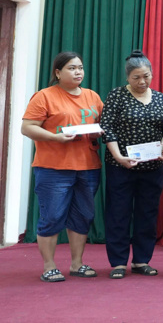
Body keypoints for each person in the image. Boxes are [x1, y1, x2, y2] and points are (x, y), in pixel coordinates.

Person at [21, 52, 104, 282]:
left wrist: (99, 131)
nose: (78, 72)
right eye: (71, 68)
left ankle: (77, 264)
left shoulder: (92, 96)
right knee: (52, 216)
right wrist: (57, 138)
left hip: (88, 167)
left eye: (80, 67)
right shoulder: (44, 96)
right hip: (53, 168)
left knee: (83, 215)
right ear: (58, 72)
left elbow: (101, 124)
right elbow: (27, 128)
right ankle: (49, 266)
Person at [101, 50, 163, 279]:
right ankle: (118, 262)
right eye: (136, 77)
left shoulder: (160, 98)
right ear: (127, 78)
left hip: (152, 168)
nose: (142, 81)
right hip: (121, 166)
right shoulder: (116, 96)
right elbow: (107, 128)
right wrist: (119, 157)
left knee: (147, 214)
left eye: (146, 76)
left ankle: (141, 260)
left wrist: (162, 148)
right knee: (119, 213)